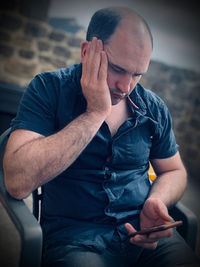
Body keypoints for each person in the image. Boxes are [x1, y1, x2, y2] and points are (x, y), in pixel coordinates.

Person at [3, 6, 199, 267]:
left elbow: (175, 171)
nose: (126, 87)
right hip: (75, 240)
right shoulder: (49, 89)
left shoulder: (153, 108)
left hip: (145, 236)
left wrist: (156, 201)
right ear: (87, 52)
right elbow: (17, 181)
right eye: (117, 69)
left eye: (138, 74)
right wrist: (95, 113)